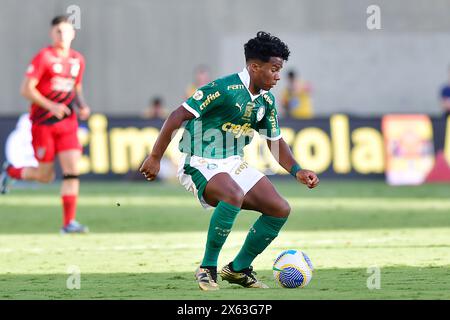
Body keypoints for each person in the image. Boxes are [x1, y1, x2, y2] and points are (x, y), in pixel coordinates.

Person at [139, 31, 319, 290]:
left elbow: (274, 141)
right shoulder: (224, 88)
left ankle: (238, 269)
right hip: (199, 161)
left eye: (280, 70)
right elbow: (178, 115)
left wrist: (297, 170)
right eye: (274, 69)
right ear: (254, 67)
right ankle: (207, 268)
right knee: (232, 194)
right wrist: (155, 156)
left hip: (233, 162)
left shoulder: (266, 101)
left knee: (279, 208)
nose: (278, 76)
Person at [0, 15, 91, 234]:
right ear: (52, 34)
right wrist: (51, 106)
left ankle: (68, 223)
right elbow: (26, 89)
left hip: (67, 123)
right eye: (58, 31)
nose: (62, 35)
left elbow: (75, 88)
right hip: (43, 123)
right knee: (45, 176)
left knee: (72, 171)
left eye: (66, 31)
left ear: (73, 34)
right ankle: (10, 172)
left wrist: (82, 105)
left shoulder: (77, 60)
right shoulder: (44, 57)